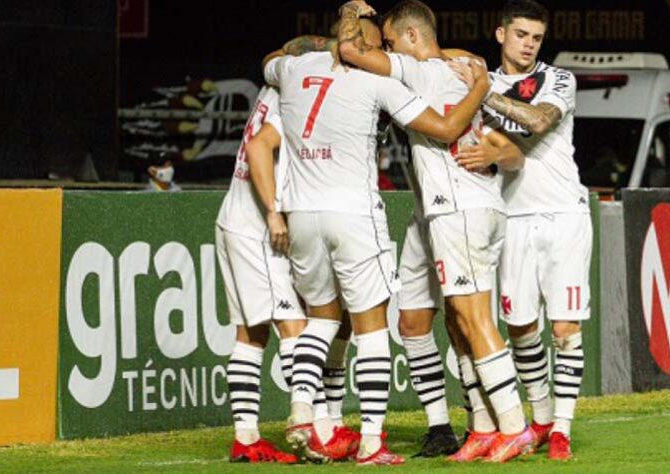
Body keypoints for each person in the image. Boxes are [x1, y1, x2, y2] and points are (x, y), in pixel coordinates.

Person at [263, 9, 490, 464]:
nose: (384, 53)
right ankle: (371, 441)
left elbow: (275, 54)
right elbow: (445, 128)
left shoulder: (292, 69)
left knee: (323, 320)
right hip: (353, 213)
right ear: (364, 47)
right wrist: (480, 86)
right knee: (370, 329)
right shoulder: (378, 83)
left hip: (301, 211)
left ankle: (304, 413)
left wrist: (334, 36)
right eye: (378, 46)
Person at [337, 0, 531, 463]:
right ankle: (483, 427)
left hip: (458, 209)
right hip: (456, 209)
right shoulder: (462, 66)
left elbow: (348, 50)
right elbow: (456, 56)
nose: (384, 51)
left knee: (474, 318)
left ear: (408, 38)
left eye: (388, 43)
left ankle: (514, 425)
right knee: (459, 320)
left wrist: (349, 12)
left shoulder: (418, 70)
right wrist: (476, 77)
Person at [451, 0, 592, 461]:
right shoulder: (482, 82)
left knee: (565, 328)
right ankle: (541, 416)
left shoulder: (559, 79)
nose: (529, 44)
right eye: (521, 35)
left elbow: (537, 121)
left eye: (536, 37)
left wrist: (482, 92)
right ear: (500, 35)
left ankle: (562, 431)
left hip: (565, 214)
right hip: (511, 216)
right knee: (520, 327)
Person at [214, 85, 303, 464]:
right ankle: (308, 426)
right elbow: (257, 149)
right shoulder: (294, 98)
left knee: (251, 334)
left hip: (233, 217)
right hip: (256, 227)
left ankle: (246, 438)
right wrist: (272, 212)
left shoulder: (274, 84)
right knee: (293, 326)